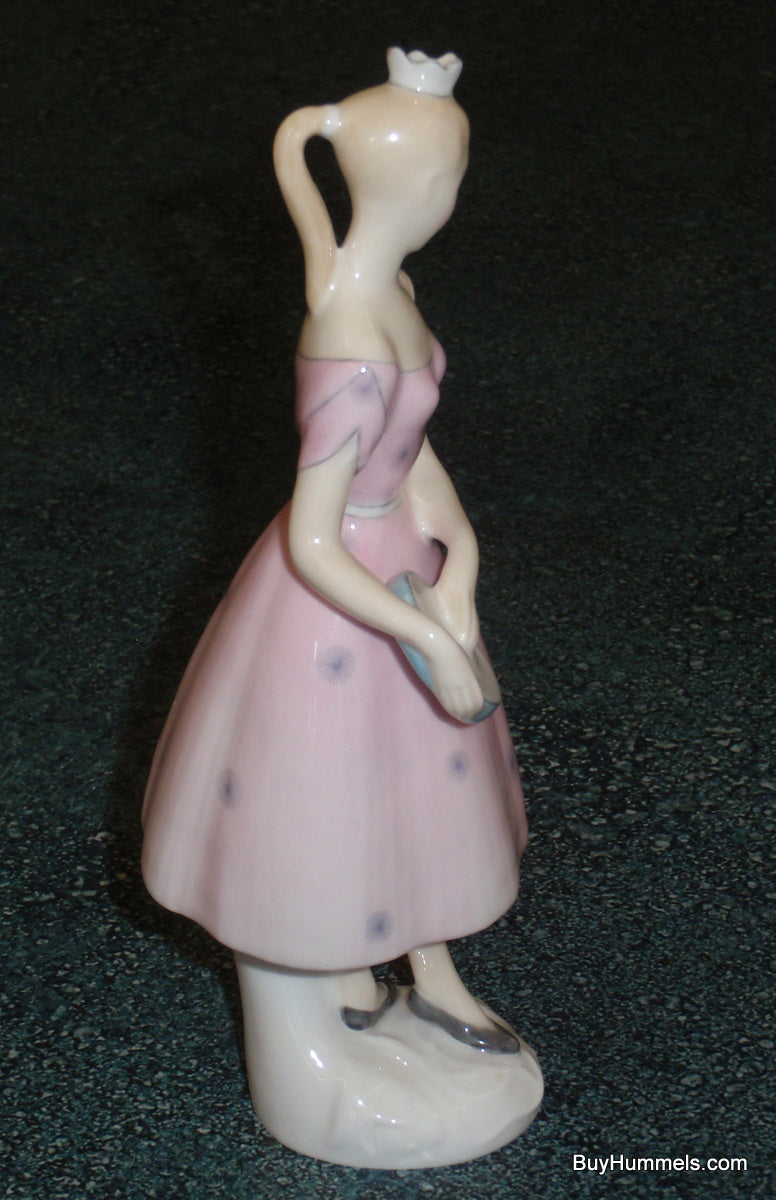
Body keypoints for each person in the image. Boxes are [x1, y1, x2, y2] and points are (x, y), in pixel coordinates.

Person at [142, 50, 537, 1166]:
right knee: (338, 796)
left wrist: (459, 559)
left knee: (420, 788)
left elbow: (416, 457)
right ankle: (333, 991)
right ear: (421, 187)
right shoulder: (346, 337)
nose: (455, 195)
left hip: (400, 559)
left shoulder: (391, 296)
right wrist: (417, 630)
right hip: (340, 603)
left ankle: (430, 971)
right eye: (452, 175)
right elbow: (317, 538)